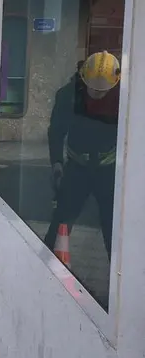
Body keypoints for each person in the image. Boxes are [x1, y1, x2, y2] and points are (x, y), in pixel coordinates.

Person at [43, 51, 120, 258]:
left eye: (102, 89)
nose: (97, 93)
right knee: (61, 222)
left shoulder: (124, 97)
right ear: (83, 77)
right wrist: (57, 163)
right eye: (92, 88)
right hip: (77, 168)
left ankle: (118, 280)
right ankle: (46, 266)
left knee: (113, 228)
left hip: (109, 170)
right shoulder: (68, 95)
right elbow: (56, 131)